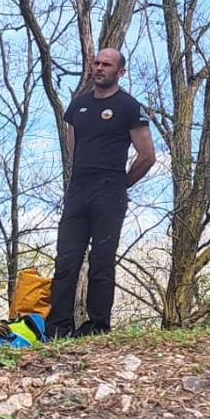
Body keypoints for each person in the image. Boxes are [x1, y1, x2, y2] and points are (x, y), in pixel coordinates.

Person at [49, 49, 156, 337]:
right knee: (66, 259)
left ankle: (97, 326)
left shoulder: (129, 107)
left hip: (109, 192)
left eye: (106, 65)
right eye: (96, 63)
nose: (99, 68)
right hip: (78, 191)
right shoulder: (78, 106)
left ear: (120, 72)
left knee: (101, 260)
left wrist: (122, 183)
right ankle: (58, 327)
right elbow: (73, 146)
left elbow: (147, 156)